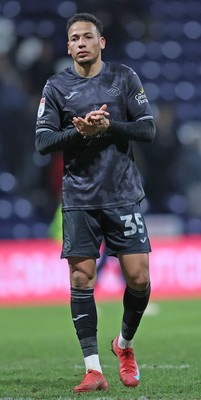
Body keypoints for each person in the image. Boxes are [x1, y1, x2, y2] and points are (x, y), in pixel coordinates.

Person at [35, 12, 156, 393]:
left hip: (122, 194)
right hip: (79, 198)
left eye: (88, 36)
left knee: (138, 278)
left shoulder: (124, 78)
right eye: (74, 38)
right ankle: (93, 369)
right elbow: (42, 142)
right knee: (80, 277)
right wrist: (78, 130)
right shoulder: (56, 87)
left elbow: (148, 128)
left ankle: (124, 345)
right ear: (68, 46)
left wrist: (110, 126)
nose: (81, 43)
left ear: (101, 42)